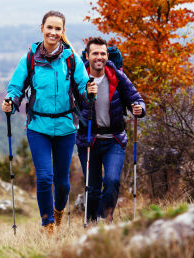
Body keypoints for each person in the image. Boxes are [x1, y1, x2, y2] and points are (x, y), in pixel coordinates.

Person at [1, 11, 97, 233]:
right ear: (42, 28)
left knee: (62, 184)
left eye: (58, 29)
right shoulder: (30, 59)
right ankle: (47, 225)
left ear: (63, 32)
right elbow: (16, 88)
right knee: (45, 177)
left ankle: (58, 212)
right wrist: (10, 103)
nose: (53, 32)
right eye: (50, 28)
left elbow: (83, 87)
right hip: (38, 127)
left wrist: (89, 90)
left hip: (65, 127)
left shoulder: (71, 58)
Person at [76, 37, 146, 223]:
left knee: (112, 182)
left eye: (103, 53)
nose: (99, 57)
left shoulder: (117, 76)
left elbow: (135, 98)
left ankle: (105, 221)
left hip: (114, 139)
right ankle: (91, 224)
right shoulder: (80, 78)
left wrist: (139, 108)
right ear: (88, 56)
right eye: (95, 54)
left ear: (107, 56)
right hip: (88, 140)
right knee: (92, 188)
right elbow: (71, 104)